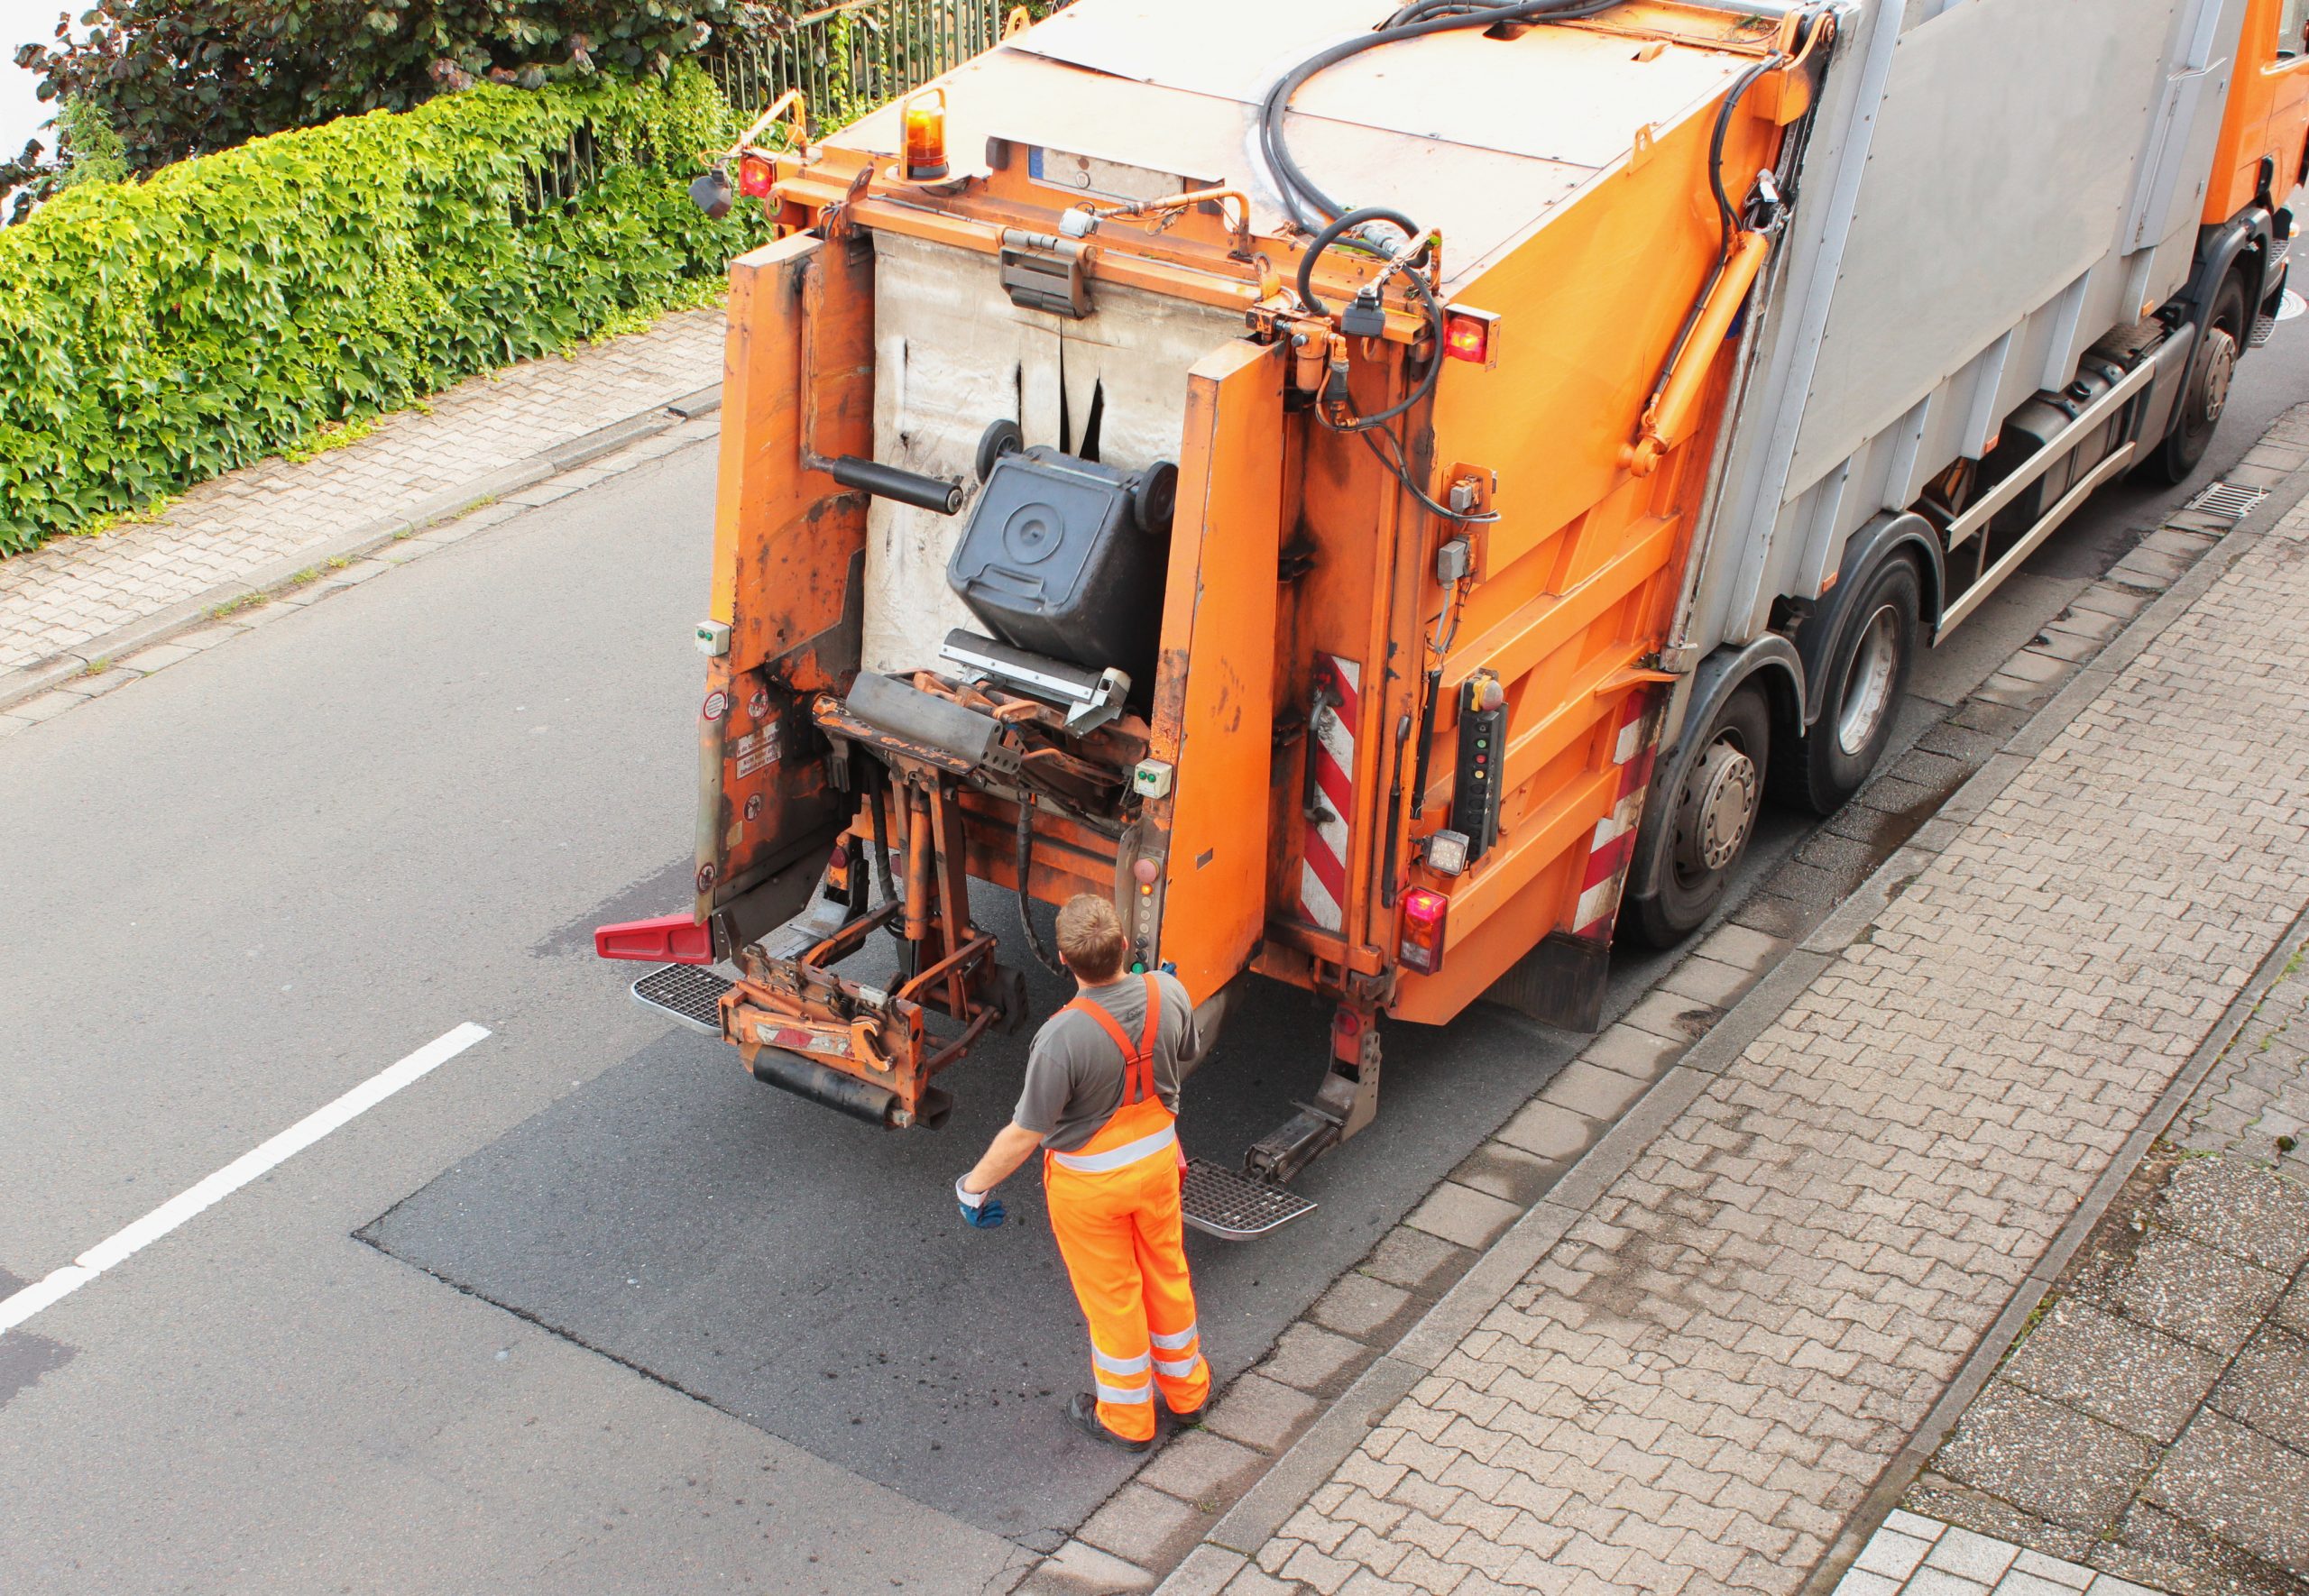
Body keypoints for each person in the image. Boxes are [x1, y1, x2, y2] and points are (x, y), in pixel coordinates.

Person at [953, 894, 1212, 1452]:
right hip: (1158, 1167)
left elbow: (1025, 1133)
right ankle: (1188, 1395)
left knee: (1114, 1298)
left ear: (1066, 961)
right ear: (1124, 945)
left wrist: (972, 1188)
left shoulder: (1061, 1037)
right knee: (1167, 1273)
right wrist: (1163, 995)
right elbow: (1186, 1050)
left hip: (1091, 1190)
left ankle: (1128, 1420)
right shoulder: (1167, 992)